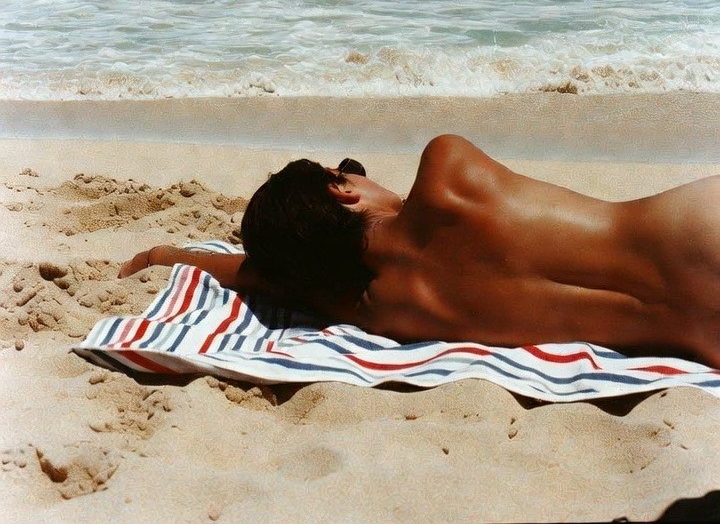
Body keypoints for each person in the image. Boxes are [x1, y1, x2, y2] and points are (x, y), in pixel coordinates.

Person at [119, 136, 720, 366]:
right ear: (343, 190)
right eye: (352, 170)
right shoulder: (446, 169)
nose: (368, 176)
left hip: (702, 335)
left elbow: (268, 276)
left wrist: (169, 255)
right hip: (698, 230)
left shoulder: (388, 308)